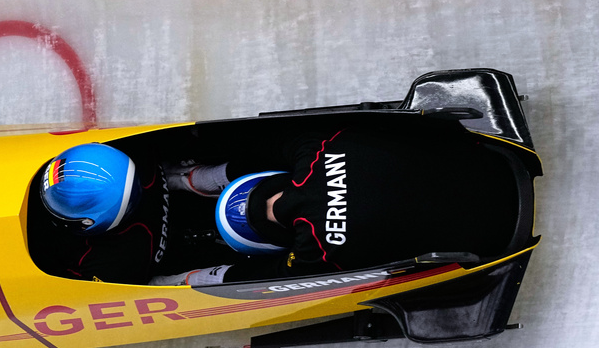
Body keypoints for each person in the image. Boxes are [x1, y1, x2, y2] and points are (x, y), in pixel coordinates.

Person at [151, 124, 519, 286]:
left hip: (498, 237)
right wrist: (209, 173)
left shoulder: (314, 254)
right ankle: (196, 178)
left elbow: (256, 280)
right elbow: (266, 145)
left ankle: (193, 181)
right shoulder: (312, 150)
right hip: (490, 157)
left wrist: (181, 281)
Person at [27, 142, 238, 284]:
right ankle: (196, 177)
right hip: (154, 186)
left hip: (146, 265)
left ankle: (186, 283)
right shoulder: (134, 151)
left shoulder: (112, 265)